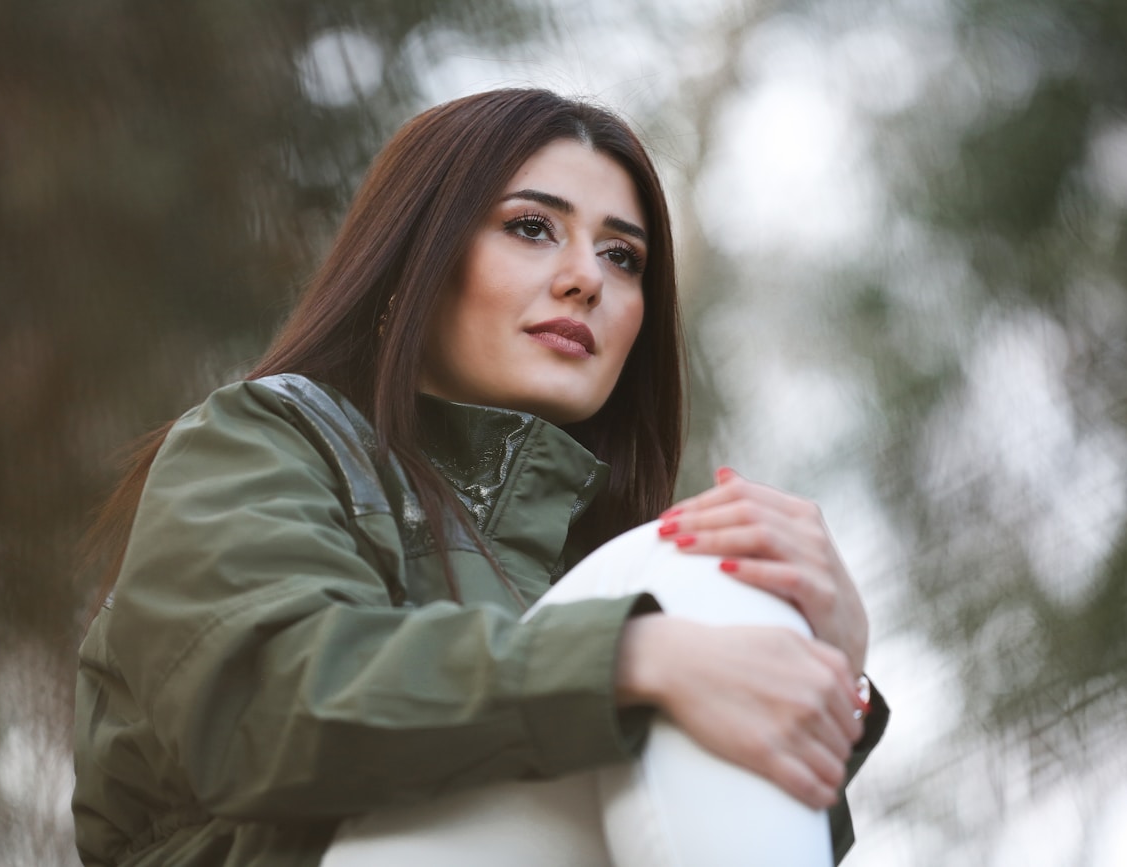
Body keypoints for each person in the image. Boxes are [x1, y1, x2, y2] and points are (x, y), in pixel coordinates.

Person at [72, 88, 887, 867]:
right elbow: (261, 702)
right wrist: (634, 659)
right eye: (532, 227)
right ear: (412, 260)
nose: (587, 278)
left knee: (735, 572)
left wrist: (833, 670)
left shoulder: (601, 567)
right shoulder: (261, 439)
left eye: (622, 255)